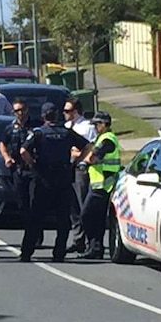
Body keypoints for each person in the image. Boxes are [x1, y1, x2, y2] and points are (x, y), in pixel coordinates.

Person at [18, 102, 90, 263]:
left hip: (44, 178)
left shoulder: (38, 133)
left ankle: (26, 252)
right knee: (63, 219)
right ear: (56, 115)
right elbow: (87, 146)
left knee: (36, 217)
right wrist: (76, 161)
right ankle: (59, 253)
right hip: (63, 177)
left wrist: (33, 165)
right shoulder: (67, 133)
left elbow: (23, 151)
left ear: (43, 116)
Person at [77, 111, 121, 259]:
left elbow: (96, 154)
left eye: (96, 124)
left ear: (103, 124)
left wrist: (86, 161)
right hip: (97, 184)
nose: (95, 127)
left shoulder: (107, 139)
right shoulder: (102, 137)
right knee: (96, 217)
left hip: (103, 185)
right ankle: (96, 248)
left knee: (86, 215)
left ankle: (94, 246)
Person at [0, 98, 42, 247]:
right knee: (22, 204)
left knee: (35, 203)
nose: (20, 113)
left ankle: (36, 235)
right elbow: (3, 144)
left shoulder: (36, 126)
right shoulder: (10, 128)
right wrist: (6, 158)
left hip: (34, 170)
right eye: (17, 110)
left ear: (27, 110)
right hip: (18, 170)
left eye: (22, 109)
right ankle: (30, 231)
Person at [64, 98, 97, 254]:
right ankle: (78, 240)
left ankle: (92, 241)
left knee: (83, 205)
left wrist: (80, 155)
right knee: (73, 207)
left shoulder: (87, 127)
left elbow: (92, 147)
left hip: (81, 169)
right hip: (67, 168)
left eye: (68, 111)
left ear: (76, 111)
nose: (65, 114)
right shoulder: (66, 127)